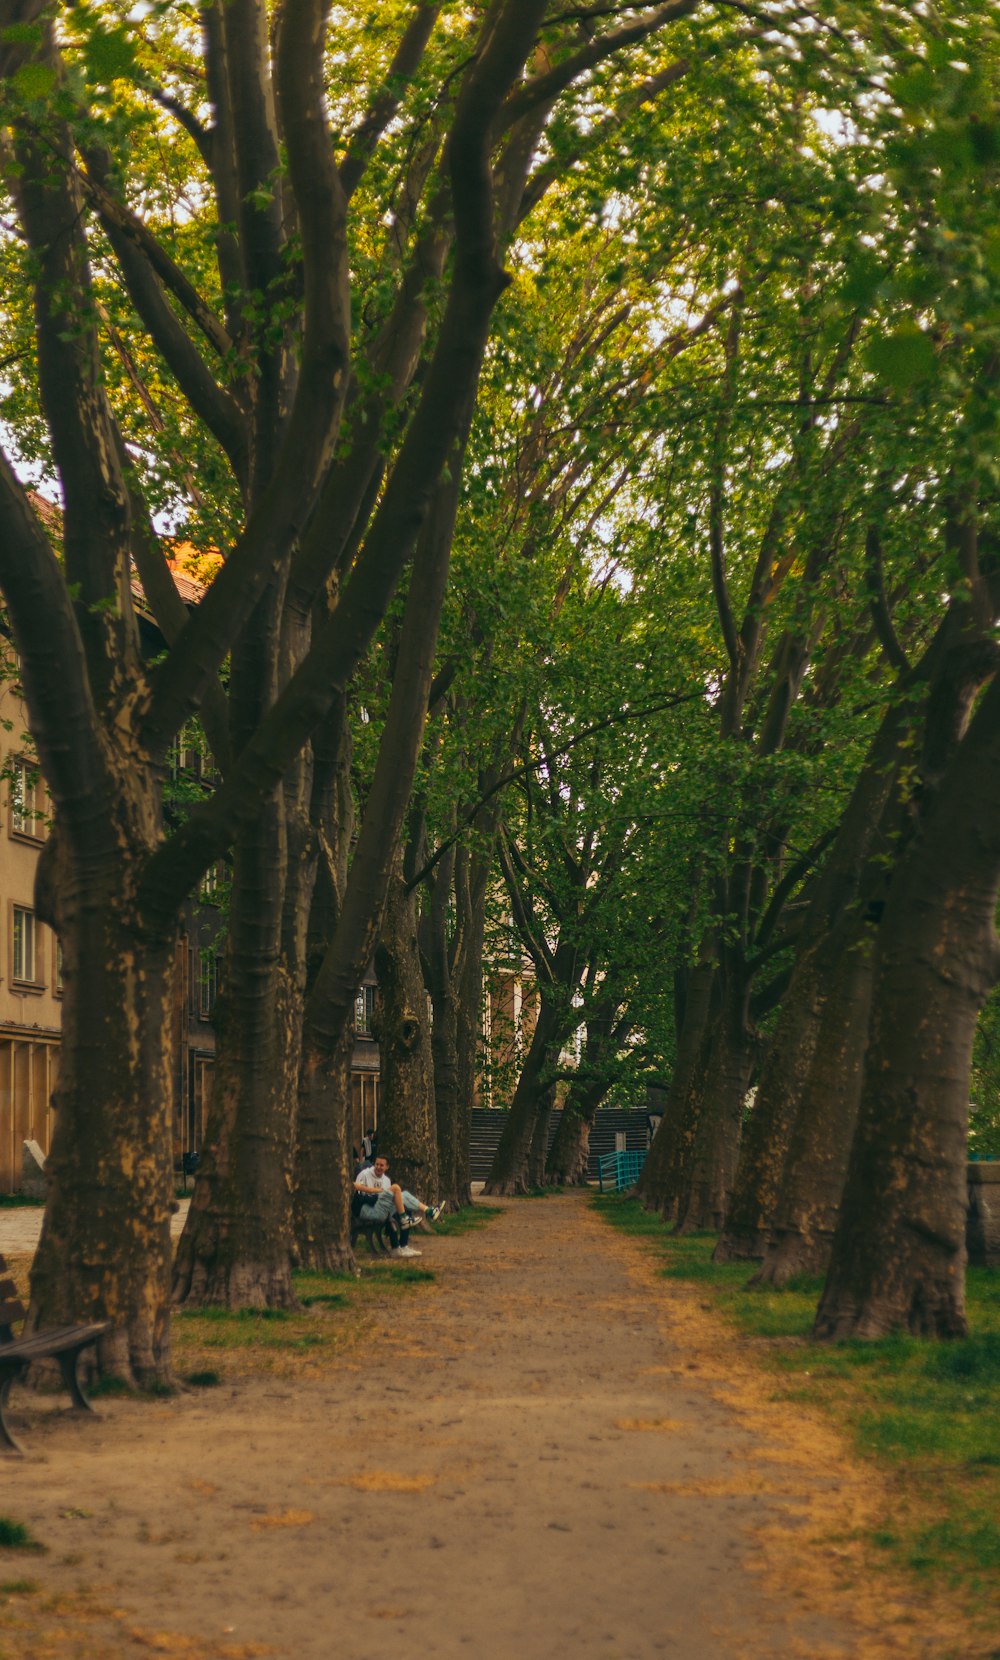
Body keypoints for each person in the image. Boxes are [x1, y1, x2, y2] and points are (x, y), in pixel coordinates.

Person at [353, 1155, 444, 1259]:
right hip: (366, 1209)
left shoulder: (386, 1180)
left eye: (381, 1165)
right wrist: (377, 1191)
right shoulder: (364, 1174)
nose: (378, 1167)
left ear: (387, 1167)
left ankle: (402, 1246)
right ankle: (428, 1211)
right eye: (377, 1164)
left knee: (403, 1205)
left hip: (381, 1208)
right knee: (396, 1189)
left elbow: (388, 1199)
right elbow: (356, 1189)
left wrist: (383, 1196)